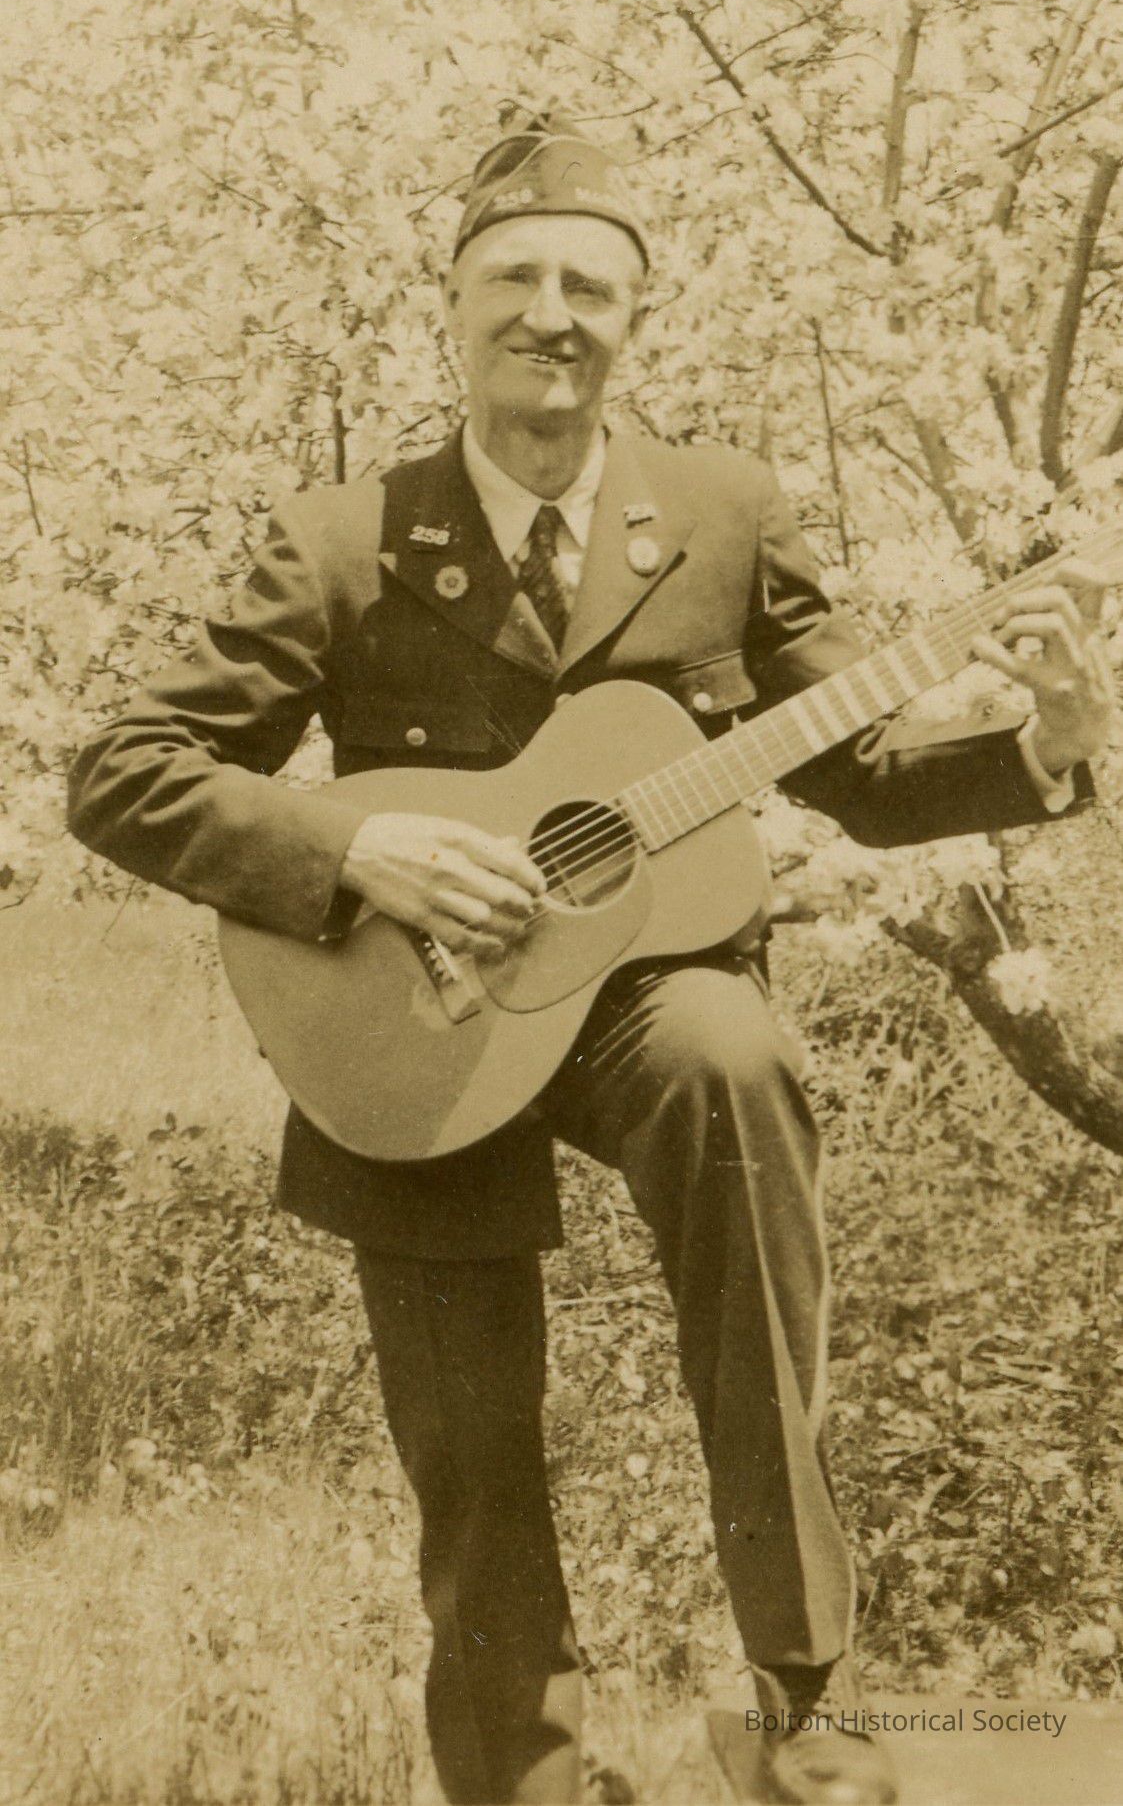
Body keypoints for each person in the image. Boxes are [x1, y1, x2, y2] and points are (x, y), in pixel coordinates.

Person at [67, 112, 1114, 1806]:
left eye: (590, 286)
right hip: (407, 1013)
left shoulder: (722, 511)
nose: (551, 315)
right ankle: (524, 1782)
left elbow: (858, 765)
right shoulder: (339, 536)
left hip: (643, 997)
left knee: (733, 1057)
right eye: (516, 278)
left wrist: (1044, 743)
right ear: (452, 303)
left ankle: (803, 1699)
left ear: (637, 318)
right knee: (472, 1453)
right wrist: (358, 849)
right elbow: (123, 771)